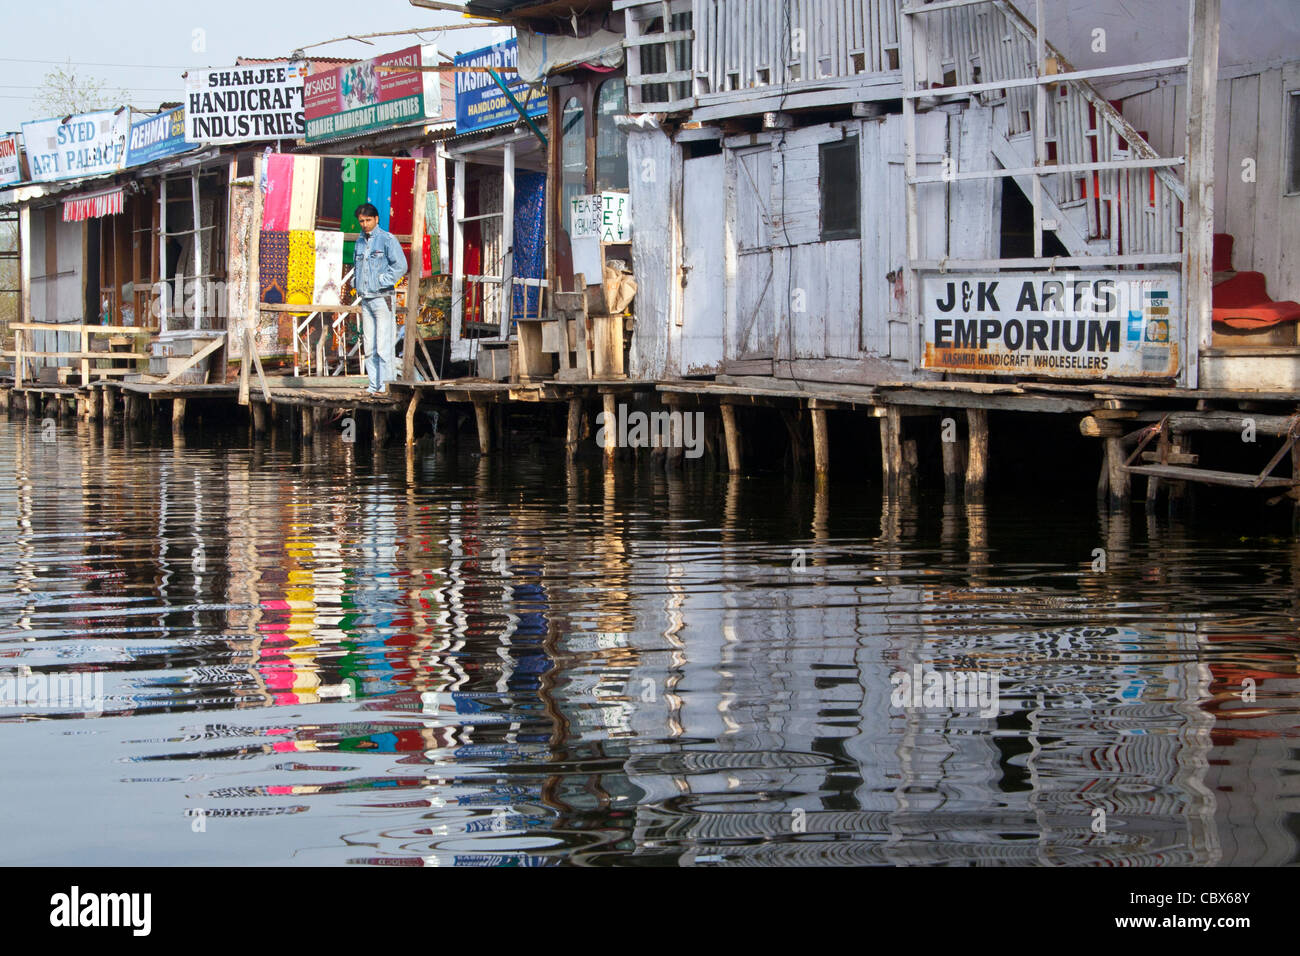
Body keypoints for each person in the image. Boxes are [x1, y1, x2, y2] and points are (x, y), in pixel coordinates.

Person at [352, 202, 407, 394]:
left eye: (368, 220)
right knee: (369, 345)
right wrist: (355, 282)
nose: (365, 224)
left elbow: (400, 265)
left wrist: (382, 280)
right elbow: (356, 267)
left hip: (383, 298)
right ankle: (374, 385)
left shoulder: (387, 239)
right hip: (366, 298)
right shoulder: (359, 241)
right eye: (361, 221)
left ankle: (386, 386)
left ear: (376, 219)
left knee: (384, 345)